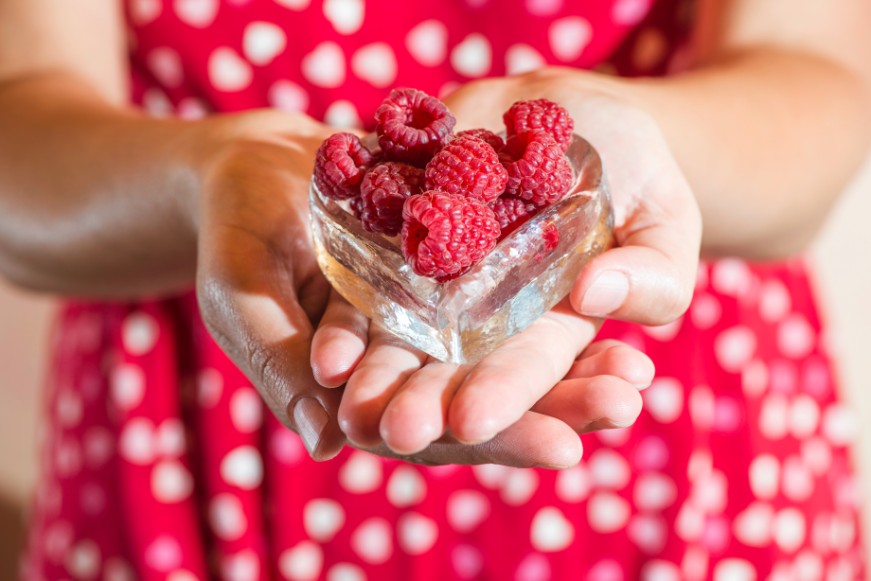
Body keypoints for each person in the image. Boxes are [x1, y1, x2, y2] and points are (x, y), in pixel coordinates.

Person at [0, 0, 867, 579]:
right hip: (193, 429)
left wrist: (617, 167)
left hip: (656, 411)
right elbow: (20, 120)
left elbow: (815, 79)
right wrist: (207, 175)